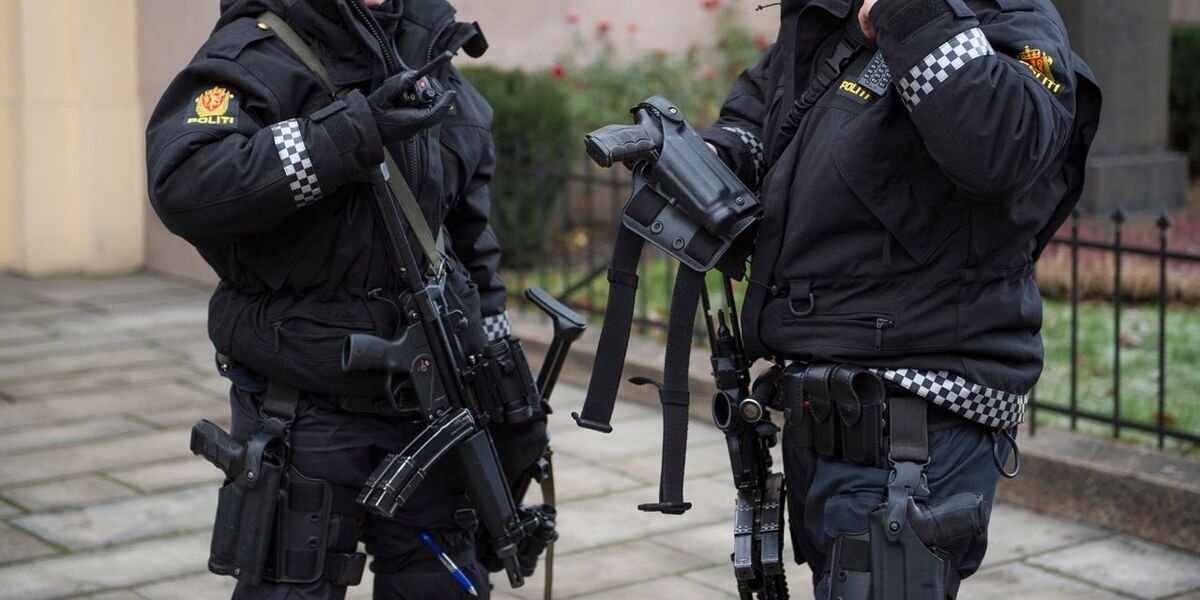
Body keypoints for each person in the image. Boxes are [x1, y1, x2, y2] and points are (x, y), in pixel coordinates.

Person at [698, 0, 1100, 597]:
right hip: (822, 412)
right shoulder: (833, 22)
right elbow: (759, 122)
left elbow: (1002, 144)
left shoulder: (1009, 17)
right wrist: (698, 162)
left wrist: (910, 11)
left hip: (914, 430)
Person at [146, 0, 518, 598]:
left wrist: (501, 371)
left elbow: (468, 238)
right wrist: (346, 133)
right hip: (303, 408)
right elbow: (186, 184)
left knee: (441, 584)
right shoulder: (253, 53)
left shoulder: (432, 53)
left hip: (430, 406)